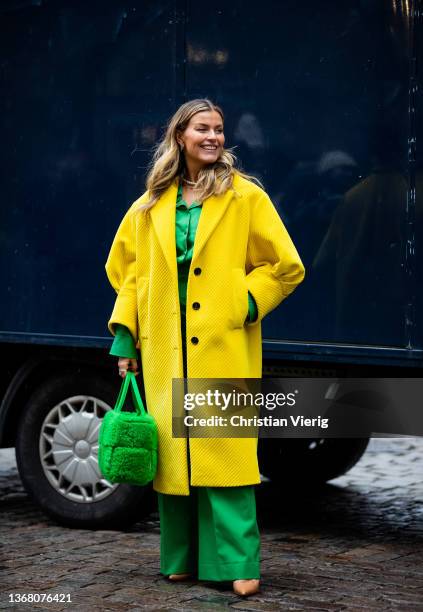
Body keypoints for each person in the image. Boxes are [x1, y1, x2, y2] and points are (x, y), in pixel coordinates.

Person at [104, 98, 305, 597]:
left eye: (218, 129)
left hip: (222, 346)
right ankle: (182, 558)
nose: (213, 137)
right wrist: (125, 339)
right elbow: (127, 276)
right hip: (166, 349)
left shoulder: (244, 197)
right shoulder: (150, 204)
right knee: (176, 461)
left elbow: (285, 265)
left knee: (226, 460)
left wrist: (243, 304)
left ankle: (239, 563)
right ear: (180, 137)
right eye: (202, 129)